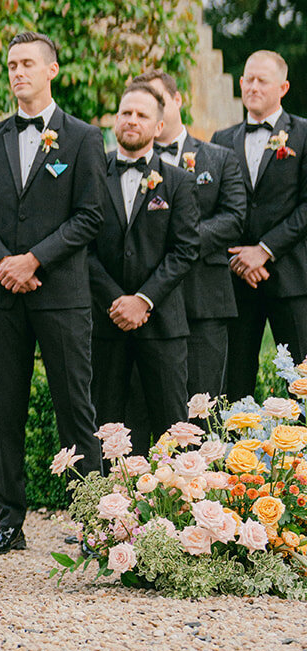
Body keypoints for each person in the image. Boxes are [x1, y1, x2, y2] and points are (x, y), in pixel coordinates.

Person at [0, 31, 106, 555]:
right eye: (11, 65)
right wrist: (4, 262)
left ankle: (94, 522)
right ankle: (8, 521)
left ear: (52, 70)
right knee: (5, 409)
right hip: (2, 295)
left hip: (62, 294)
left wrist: (35, 259)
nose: (17, 72)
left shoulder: (84, 139)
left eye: (27, 63)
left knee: (75, 406)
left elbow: (91, 215)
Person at [90, 83, 199, 440]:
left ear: (158, 126)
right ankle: (105, 497)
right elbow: (82, 246)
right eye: (126, 113)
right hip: (105, 325)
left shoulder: (179, 183)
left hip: (162, 324)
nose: (132, 121)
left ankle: (174, 497)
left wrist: (143, 299)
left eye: (142, 115)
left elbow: (184, 250)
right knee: (106, 430)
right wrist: (116, 301)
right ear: (116, 120)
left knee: (173, 428)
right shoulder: (90, 174)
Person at [134, 68, 245, 401]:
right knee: (142, 408)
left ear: (177, 99)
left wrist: (182, 241)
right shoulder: (128, 163)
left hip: (204, 301)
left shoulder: (220, 158)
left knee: (203, 406)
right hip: (147, 302)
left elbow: (234, 219)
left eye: (159, 101)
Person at [211, 50, 307, 398]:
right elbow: (212, 207)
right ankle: (234, 454)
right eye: (247, 79)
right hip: (235, 280)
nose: (252, 86)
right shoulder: (222, 140)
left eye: (262, 80)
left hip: (291, 278)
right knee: (233, 384)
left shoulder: (304, 134)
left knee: (302, 380)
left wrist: (264, 251)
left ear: (283, 87)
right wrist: (238, 257)